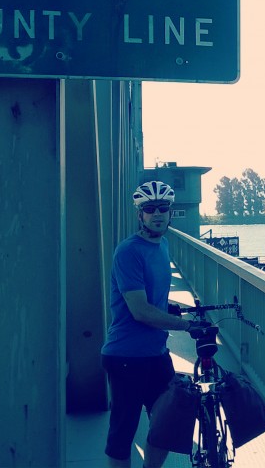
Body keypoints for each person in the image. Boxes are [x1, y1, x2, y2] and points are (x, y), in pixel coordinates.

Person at [101, 180, 204, 468]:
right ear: (140, 215)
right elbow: (141, 311)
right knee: (123, 430)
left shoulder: (163, 245)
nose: (157, 213)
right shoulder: (128, 251)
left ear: (170, 213)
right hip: (126, 357)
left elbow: (154, 299)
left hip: (157, 353)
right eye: (149, 209)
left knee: (167, 423)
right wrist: (185, 327)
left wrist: (173, 310)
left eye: (163, 208)